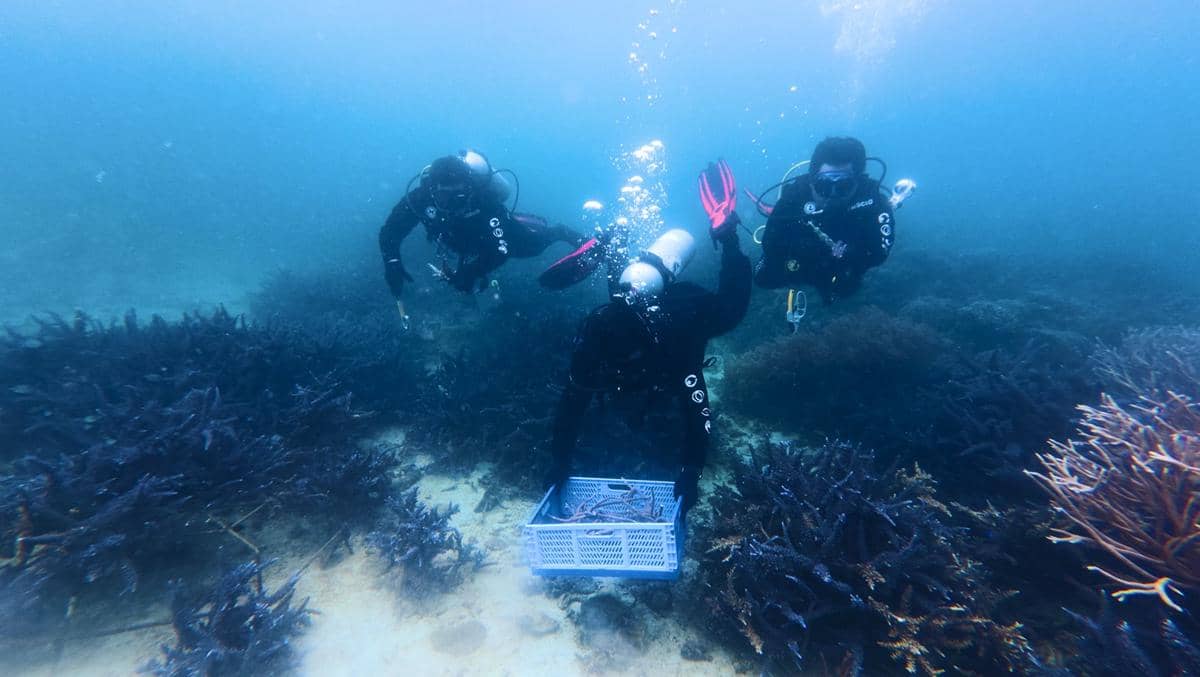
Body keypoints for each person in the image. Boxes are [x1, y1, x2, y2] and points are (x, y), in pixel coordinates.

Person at [545, 160, 751, 515]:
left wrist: (691, 470)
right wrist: (558, 463)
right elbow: (570, 406)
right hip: (633, 302)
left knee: (731, 311)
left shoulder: (675, 343)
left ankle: (727, 237)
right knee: (622, 294)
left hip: (687, 311)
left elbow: (697, 411)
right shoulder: (595, 340)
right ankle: (614, 247)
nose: (619, 370)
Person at [378, 150, 586, 324]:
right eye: (445, 196)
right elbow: (390, 231)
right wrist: (392, 261)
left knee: (531, 248)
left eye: (458, 196)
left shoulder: (483, 201)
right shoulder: (420, 198)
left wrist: (471, 271)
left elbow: (501, 250)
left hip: (490, 231)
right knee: (464, 265)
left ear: (468, 189)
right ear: (432, 191)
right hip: (458, 237)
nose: (453, 204)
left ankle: (559, 231)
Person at [752, 137, 898, 303]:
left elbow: (880, 253)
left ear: (857, 183)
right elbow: (770, 245)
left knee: (847, 290)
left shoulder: (872, 200)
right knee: (763, 278)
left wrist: (852, 253)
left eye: (843, 186)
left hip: (846, 263)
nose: (832, 195)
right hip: (801, 259)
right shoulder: (794, 197)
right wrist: (810, 251)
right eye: (824, 186)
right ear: (812, 181)